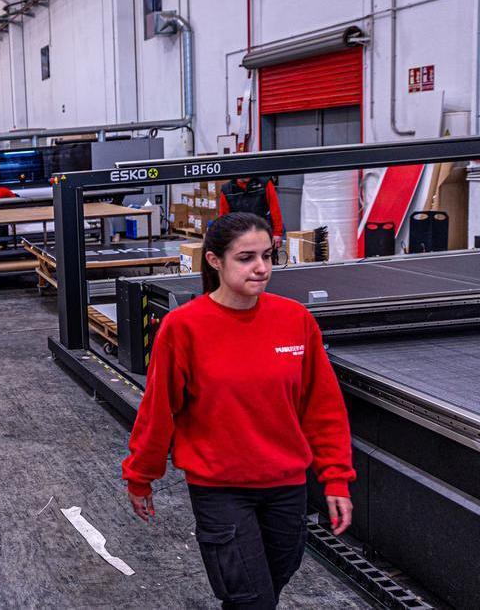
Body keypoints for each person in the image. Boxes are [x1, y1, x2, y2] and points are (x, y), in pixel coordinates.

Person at [121, 213, 355, 610]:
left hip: (286, 487)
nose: (261, 268)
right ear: (215, 261)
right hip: (221, 490)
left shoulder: (295, 320)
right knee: (250, 599)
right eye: (246, 258)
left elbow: (323, 407)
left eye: (268, 256)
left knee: (270, 585)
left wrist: (335, 478)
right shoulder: (184, 328)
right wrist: (140, 475)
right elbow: (159, 411)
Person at [217, 176, 284, 251]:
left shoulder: (264, 183)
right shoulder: (227, 190)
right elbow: (223, 218)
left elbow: (275, 209)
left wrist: (277, 233)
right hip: (239, 237)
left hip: (262, 234)